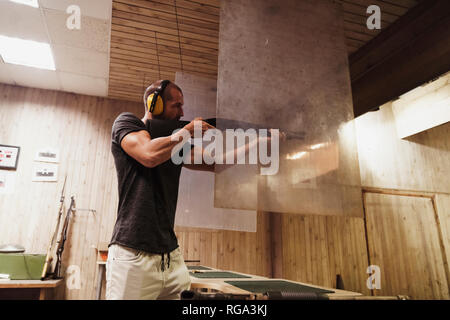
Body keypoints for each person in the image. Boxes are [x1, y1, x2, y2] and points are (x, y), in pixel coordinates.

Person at [106, 80, 215, 300]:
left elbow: (216, 163)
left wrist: (260, 143)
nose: (182, 112)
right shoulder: (127, 122)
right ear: (153, 104)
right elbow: (149, 155)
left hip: (171, 257)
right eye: (176, 105)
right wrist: (186, 132)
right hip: (133, 252)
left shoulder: (176, 144)